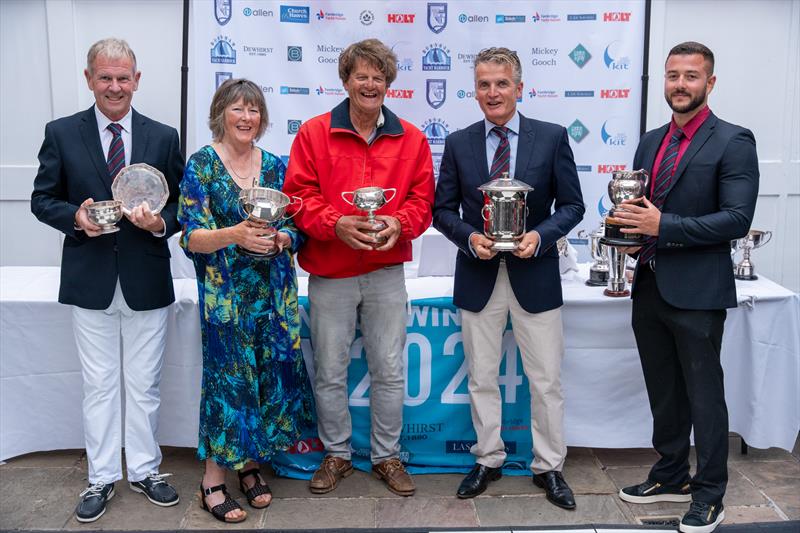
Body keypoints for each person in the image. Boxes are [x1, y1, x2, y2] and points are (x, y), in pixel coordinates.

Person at [30, 38, 182, 523]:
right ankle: (100, 477)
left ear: (137, 80)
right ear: (89, 79)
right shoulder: (61, 132)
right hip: (90, 276)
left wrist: (160, 224)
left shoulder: (164, 136)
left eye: (123, 77)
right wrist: (76, 217)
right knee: (98, 385)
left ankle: (144, 469)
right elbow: (42, 198)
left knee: (144, 385)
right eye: (105, 77)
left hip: (146, 277)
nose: (114, 86)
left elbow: (181, 204)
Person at [612, 42, 759, 533]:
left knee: (704, 396)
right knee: (664, 391)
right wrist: (631, 237)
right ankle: (671, 473)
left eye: (691, 76)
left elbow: (736, 219)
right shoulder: (649, 141)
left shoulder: (734, 140)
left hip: (698, 292)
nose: (680, 84)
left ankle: (710, 492)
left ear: (709, 83)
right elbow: (643, 210)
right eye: (673, 75)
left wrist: (663, 227)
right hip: (649, 284)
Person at [432, 47, 584, 508]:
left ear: (519, 87)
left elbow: (573, 205)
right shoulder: (458, 142)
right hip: (479, 276)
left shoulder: (552, 137)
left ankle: (549, 467)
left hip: (535, 275)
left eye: (501, 83)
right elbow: (441, 210)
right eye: (484, 84)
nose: (492, 92)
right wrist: (468, 236)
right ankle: (488, 458)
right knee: (480, 376)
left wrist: (540, 235)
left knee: (546, 380)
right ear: (474, 89)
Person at [282, 38, 434, 497]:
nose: (370, 84)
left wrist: (398, 223)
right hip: (331, 272)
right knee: (329, 370)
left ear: (389, 83)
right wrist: (336, 225)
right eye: (361, 76)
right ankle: (337, 454)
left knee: (389, 369)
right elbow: (297, 198)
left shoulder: (412, 138)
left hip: (386, 273)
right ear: (345, 81)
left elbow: (422, 201)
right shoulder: (312, 133)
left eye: (378, 76)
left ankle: (387, 456)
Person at [178, 78, 314, 523]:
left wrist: (280, 240)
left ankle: (250, 466)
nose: (246, 117)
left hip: (271, 299)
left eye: (253, 110)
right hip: (227, 299)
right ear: (221, 113)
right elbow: (190, 237)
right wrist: (235, 235)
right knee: (229, 385)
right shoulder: (201, 166)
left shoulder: (275, 165)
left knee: (266, 380)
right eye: (237, 109)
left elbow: (299, 227)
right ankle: (212, 479)